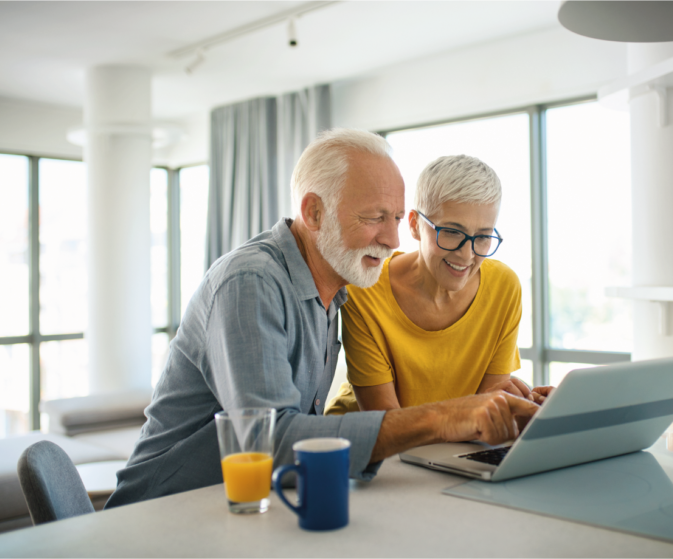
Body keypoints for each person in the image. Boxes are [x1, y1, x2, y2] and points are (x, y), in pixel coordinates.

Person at [106, 129, 539, 508]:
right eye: (373, 218)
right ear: (313, 213)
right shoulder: (251, 282)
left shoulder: (336, 289)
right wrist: (443, 417)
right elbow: (270, 443)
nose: (391, 240)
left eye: (392, 219)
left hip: (253, 505)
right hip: (164, 515)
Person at [325, 155, 551, 416]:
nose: (467, 255)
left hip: (448, 450)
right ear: (414, 225)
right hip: (363, 449)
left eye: (483, 237)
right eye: (452, 232)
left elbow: (486, 415)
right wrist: (475, 414)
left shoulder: (503, 288)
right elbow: (385, 423)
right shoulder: (366, 287)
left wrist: (530, 409)